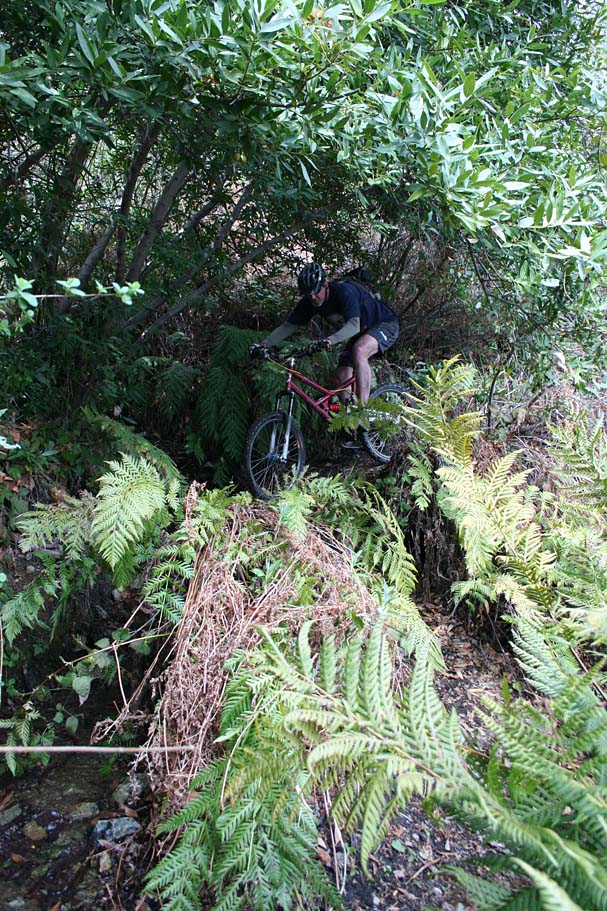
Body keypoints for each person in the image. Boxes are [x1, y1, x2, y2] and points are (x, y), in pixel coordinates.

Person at [261, 262, 399, 404]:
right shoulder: (309, 302)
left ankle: (363, 409)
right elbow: (289, 325)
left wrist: (330, 340)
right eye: (308, 294)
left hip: (384, 323)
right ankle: (349, 414)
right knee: (340, 378)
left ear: (325, 284)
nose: (313, 297)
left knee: (360, 350)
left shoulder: (344, 292)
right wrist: (265, 344)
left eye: (316, 291)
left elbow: (354, 325)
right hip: (361, 333)